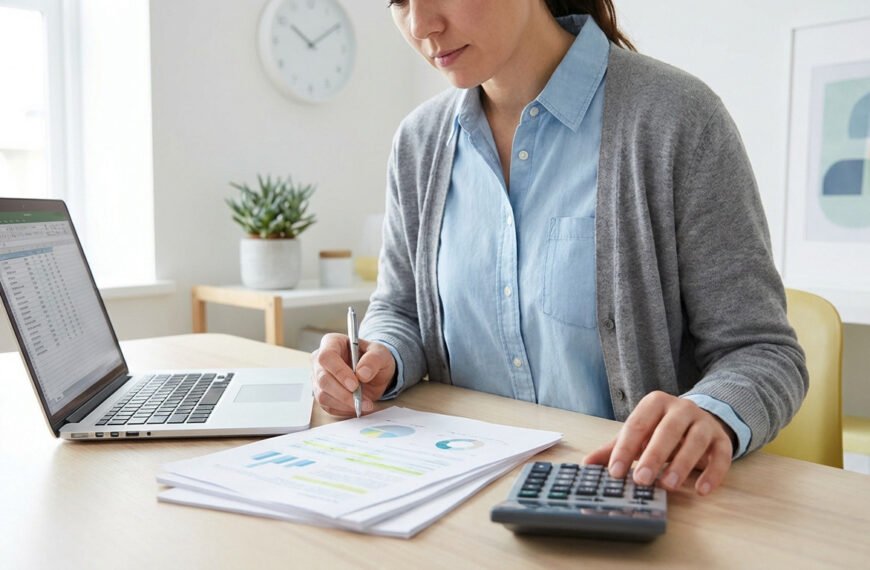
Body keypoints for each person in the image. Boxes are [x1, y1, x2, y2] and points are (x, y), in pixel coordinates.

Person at [312, 0, 807, 496]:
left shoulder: (675, 119)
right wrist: (379, 357)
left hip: (623, 500)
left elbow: (761, 351)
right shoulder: (418, 143)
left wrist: (709, 413)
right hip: (455, 494)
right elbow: (402, 310)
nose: (421, 25)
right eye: (397, 1)